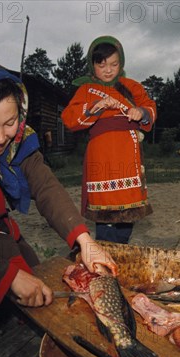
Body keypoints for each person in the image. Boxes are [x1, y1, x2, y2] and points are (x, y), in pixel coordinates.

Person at [0, 67, 117, 337]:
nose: (1, 138)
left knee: (34, 273)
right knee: (12, 272)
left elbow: (46, 186)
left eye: (10, 122)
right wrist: (10, 278)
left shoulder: (19, 142)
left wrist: (85, 241)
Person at [61, 36, 156, 244]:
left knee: (128, 209)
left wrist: (141, 112)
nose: (108, 70)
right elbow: (69, 118)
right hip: (101, 154)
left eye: (114, 64)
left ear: (121, 63)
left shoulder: (131, 86)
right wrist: (97, 105)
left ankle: (121, 246)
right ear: (92, 64)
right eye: (101, 64)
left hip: (127, 154)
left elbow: (150, 106)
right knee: (104, 211)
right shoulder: (85, 90)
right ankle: (105, 248)